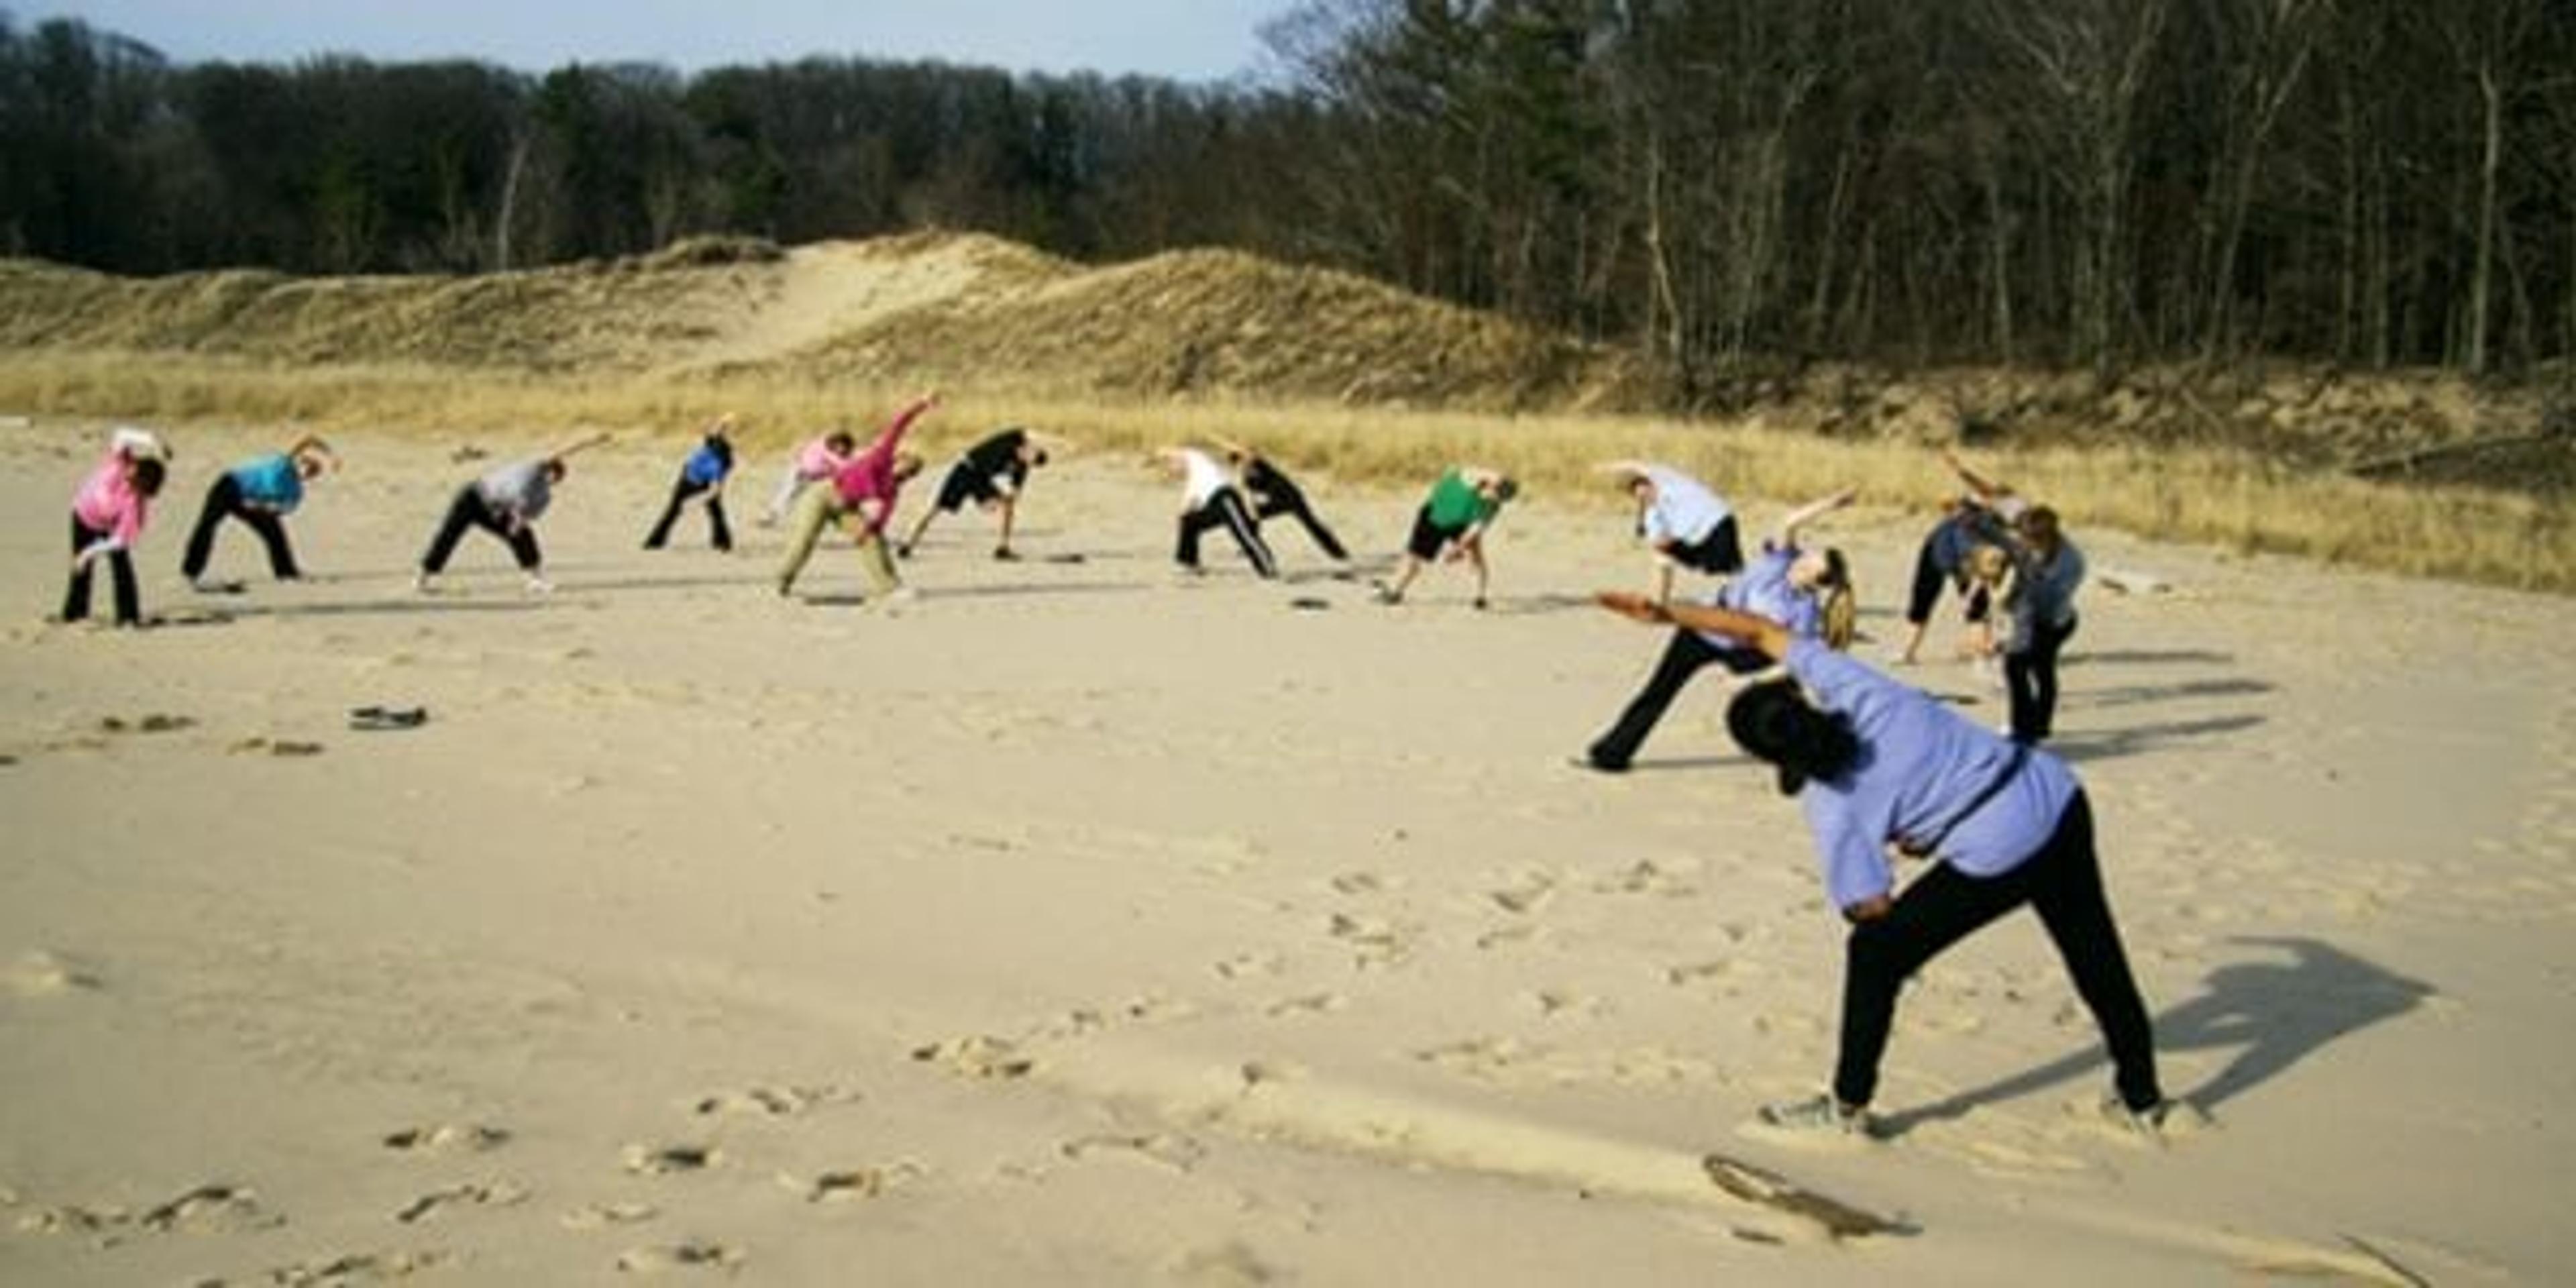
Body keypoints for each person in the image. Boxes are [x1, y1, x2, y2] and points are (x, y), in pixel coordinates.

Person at [1593, 590, 2170, 1140]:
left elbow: (1869, 907)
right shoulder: (1860, 691)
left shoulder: (1833, 806)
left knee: (1874, 955)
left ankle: (1847, 1107)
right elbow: (1760, 631)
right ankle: (2143, 1101)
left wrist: (1907, 849)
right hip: (2056, 795)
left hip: (2000, 852)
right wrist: (1667, 612)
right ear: (1801, 697)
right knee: (2095, 955)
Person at [1579, 490, 1856, 773]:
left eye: (1810, 564)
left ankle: (1815, 752)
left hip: (1747, 648)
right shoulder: (1780, 560)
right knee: (1659, 690)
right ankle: (1612, 755)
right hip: (1705, 627)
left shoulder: (1804, 612)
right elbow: (1789, 522)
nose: (1803, 559)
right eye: (1808, 555)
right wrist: (1830, 504)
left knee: (1783, 701)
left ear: (1816, 580)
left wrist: (1750, 681)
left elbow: (1793, 662)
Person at [776, 392, 938, 601]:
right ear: (899, 458)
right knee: (805, 540)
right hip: (823, 495)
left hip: (846, 507)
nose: (908, 471)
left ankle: (891, 588)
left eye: (913, 472)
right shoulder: (882, 456)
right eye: (908, 464)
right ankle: (782, 582)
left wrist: (868, 529)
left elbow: (881, 520)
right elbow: (899, 424)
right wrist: (922, 404)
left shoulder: (891, 491)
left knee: (874, 540)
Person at [415, 435, 606, 594]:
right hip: (474, 496)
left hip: (497, 511)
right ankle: (423, 577)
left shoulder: (544, 497)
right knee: (448, 535)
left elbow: (527, 516)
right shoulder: (533, 467)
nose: (551, 477)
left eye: (556, 477)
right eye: (552, 471)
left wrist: (518, 523)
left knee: (524, 536)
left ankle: (534, 580)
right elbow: (566, 451)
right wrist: (592, 441)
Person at [1894, 447, 2027, 665]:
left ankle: (1982, 652)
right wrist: (1959, 471)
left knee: (1976, 607)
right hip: (1939, 548)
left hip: (1964, 556)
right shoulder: (1986, 511)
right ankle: (1909, 652)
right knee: (1923, 598)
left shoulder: (2005, 527)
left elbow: (1991, 570)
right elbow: (1975, 489)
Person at [180, 435, 335, 590]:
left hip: (253, 504)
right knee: (207, 525)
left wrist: (262, 507)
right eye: (307, 466)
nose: (308, 472)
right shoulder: (283, 463)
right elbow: (309, 440)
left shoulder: (295, 492)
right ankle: (190, 572)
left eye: (313, 472)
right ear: (300, 462)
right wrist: (331, 455)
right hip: (230, 486)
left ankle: (286, 572)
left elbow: (282, 509)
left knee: (275, 534)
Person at [897, 425, 1064, 561]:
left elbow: (1016, 491)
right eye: (1031, 453)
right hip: (965, 469)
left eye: (1030, 461)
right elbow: (1029, 431)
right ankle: (909, 544)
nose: (1027, 457)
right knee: (936, 508)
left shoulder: (1021, 468)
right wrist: (1059, 442)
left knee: (1008, 504)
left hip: (982, 479)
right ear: (1030, 447)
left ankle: (1003, 547)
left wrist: (1000, 501)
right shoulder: (1014, 439)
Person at [60, 427, 170, 627]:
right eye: (133, 466)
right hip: (82, 515)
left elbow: (120, 541)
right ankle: (74, 614)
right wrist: (154, 441)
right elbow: (121, 434)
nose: (129, 470)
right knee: (80, 571)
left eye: (133, 474)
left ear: (140, 485)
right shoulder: (121, 462)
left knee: (122, 567)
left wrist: (88, 553)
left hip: (108, 529)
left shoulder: (135, 505)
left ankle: (128, 616)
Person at [1374, 466, 1517, 608]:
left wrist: (1458, 549)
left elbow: (1475, 530)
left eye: (1498, 499)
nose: (1492, 500)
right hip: (1432, 518)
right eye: (1494, 495)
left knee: (1475, 557)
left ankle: (1480, 598)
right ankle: (1395, 593)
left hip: (1460, 523)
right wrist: (1499, 479)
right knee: (1414, 559)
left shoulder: (1491, 507)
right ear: (1491, 486)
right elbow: (1480, 473)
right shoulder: (1470, 480)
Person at [2000, 506, 2084, 744]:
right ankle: (2031, 726)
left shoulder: (2070, 562)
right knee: (2024, 669)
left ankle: (2029, 727)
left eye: (2026, 538)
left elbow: (2050, 600)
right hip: (2032, 616)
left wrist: (2020, 608)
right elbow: (2019, 573)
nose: (2022, 542)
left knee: (2028, 667)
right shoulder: (2027, 548)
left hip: (2053, 621)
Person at [1605, 461, 1743, 604]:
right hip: (1696, 538)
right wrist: (1662, 543)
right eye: (1638, 495)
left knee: (1731, 568)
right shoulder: (1653, 514)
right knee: (1662, 554)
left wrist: (1611, 467)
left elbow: (1639, 465)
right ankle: (1660, 600)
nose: (1645, 495)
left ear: (1650, 483)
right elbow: (1657, 541)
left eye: (1645, 488)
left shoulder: (1667, 481)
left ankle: (1742, 595)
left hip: (1716, 520)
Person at [1215, 436, 1350, 566]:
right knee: (1247, 515)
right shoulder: (1245, 479)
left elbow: (1246, 452)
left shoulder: (1259, 464)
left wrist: (1218, 441)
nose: (1242, 467)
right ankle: (1255, 547)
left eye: (1241, 463)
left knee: (1311, 524)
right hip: (1277, 502)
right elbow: (1249, 500)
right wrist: (1253, 519)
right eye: (1237, 466)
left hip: (1292, 497)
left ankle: (1338, 553)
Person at [1165, 445, 1277, 580]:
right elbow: (1185, 510)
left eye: (1174, 467)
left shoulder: (1198, 462)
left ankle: (1266, 566)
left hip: (1225, 498)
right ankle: (1188, 562)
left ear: (1180, 461)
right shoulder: (1191, 486)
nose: (1174, 471)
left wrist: (1158, 455)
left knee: (1242, 533)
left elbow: (1174, 451)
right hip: (1214, 507)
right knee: (1189, 521)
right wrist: (1182, 515)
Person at [643, 414, 737, 551]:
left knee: (716, 512)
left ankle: (722, 542)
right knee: (673, 511)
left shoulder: (716, 466)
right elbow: (716, 430)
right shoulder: (713, 446)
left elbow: (714, 491)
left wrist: (694, 502)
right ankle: (655, 542)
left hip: (700, 483)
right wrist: (725, 421)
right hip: (686, 479)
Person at [760, 429, 858, 527]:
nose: (841, 449)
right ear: (835, 442)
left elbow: (840, 464)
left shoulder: (831, 451)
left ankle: (775, 516)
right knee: (787, 494)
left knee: (795, 497)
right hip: (801, 473)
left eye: (844, 447)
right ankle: (772, 516)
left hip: (812, 478)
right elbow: (839, 463)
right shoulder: (824, 448)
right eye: (840, 446)